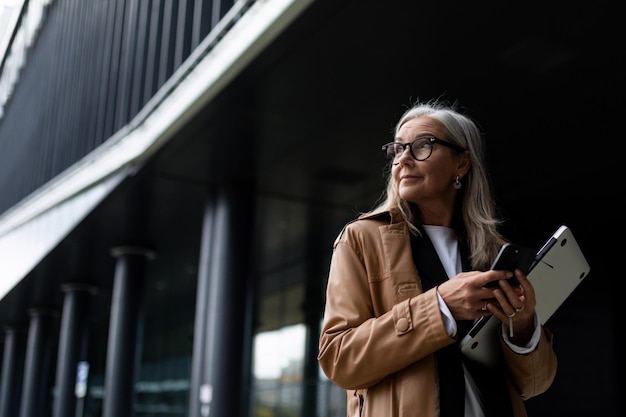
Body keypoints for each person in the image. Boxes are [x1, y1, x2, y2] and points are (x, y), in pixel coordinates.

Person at [317, 99, 557, 417]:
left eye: (422, 146)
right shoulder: (362, 239)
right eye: (398, 148)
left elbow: (535, 385)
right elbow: (339, 359)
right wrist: (440, 306)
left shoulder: (496, 252)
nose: (403, 159)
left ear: (462, 164)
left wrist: (524, 327)